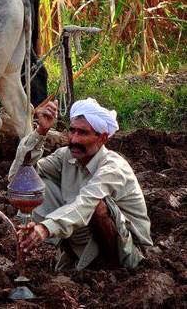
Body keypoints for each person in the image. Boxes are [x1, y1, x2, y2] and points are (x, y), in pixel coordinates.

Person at [11, 98, 153, 270]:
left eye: (83, 133)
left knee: (96, 205)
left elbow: (87, 202)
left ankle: (109, 269)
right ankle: (79, 259)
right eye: (72, 131)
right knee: (37, 186)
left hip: (128, 253)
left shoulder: (113, 167)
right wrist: (41, 132)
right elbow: (17, 178)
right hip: (83, 244)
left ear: (102, 138)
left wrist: (45, 228)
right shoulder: (66, 156)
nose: (74, 139)